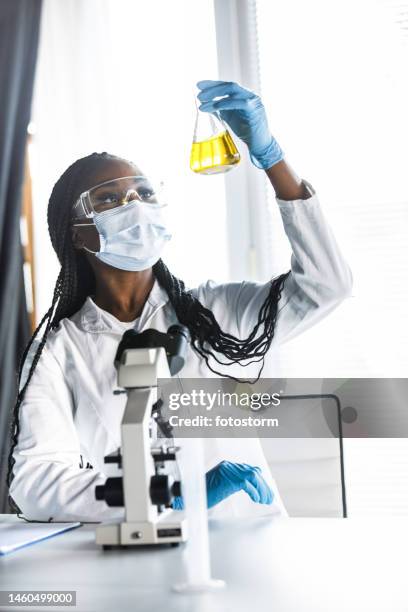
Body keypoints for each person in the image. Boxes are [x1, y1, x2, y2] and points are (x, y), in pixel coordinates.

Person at [7, 80, 352, 522]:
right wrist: (167, 493)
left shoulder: (214, 315)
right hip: (141, 554)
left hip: (250, 545)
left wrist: (271, 159)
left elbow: (327, 286)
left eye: (144, 193)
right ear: (77, 231)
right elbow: (37, 483)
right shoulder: (59, 349)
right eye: (110, 198)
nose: (134, 205)